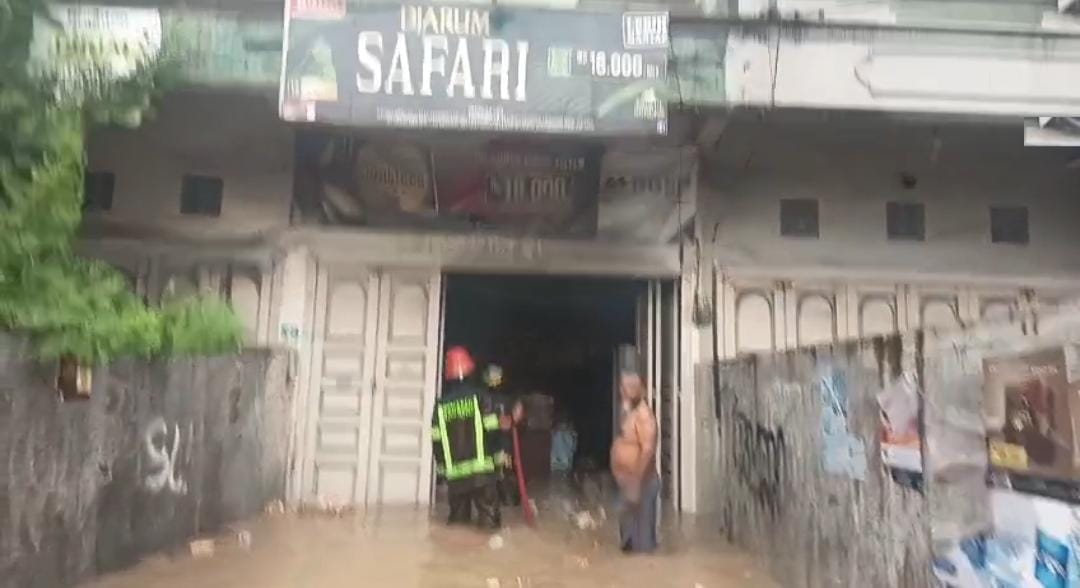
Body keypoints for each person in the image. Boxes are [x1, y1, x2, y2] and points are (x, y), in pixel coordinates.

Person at [431, 346, 502, 529]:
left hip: (455, 477)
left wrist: (442, 471)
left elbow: (436, 442)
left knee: (457, 525)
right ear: (470, 370)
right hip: (482, 473)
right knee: (489, 526)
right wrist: (498, 463)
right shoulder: (482, 397)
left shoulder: (440, 406)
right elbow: (493, 432)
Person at [610, 370, 659, 553]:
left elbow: (647, 451)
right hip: (628, 485)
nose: (626, 390)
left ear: (642, 390)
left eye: (631, 387)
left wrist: (636, 484)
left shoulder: (644, 416)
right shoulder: (630, 411)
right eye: (624, 387)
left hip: (640, 485)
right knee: (628, 544)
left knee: (643, 548)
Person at [483, 364, 523, 506]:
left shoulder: (502, 398)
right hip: (492, 445)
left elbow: (516, 416)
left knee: (504, 476)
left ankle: (508, 501)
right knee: (498, 477)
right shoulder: (485, 398)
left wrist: (513, 418)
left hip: (500, 445)